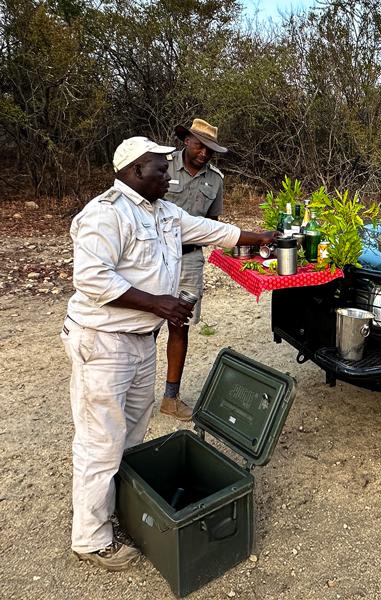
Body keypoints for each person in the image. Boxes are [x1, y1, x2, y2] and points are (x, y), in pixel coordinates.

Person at [61, 136, 275, 571]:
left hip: (141, 341)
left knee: (132, 435)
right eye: (161, 168)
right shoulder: (105, 214)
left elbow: (215, 231)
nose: (169, 175)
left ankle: (123, 504)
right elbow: (92, 280)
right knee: (100, 441)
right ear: (136, 170)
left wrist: (266, 237)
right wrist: (160, 304)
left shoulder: (164, 212)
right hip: (103, 340)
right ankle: (90, 537)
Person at [161, 118, 228, 421]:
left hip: (189, 260)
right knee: (143, 326)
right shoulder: (161, 166)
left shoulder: (215, 179)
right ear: (186, 140)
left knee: (180, 326)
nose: (204, 153)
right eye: (200, 145)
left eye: (210, 149)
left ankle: (170, 397)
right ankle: (129, 393)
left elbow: (212, 225)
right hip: (154, 256)